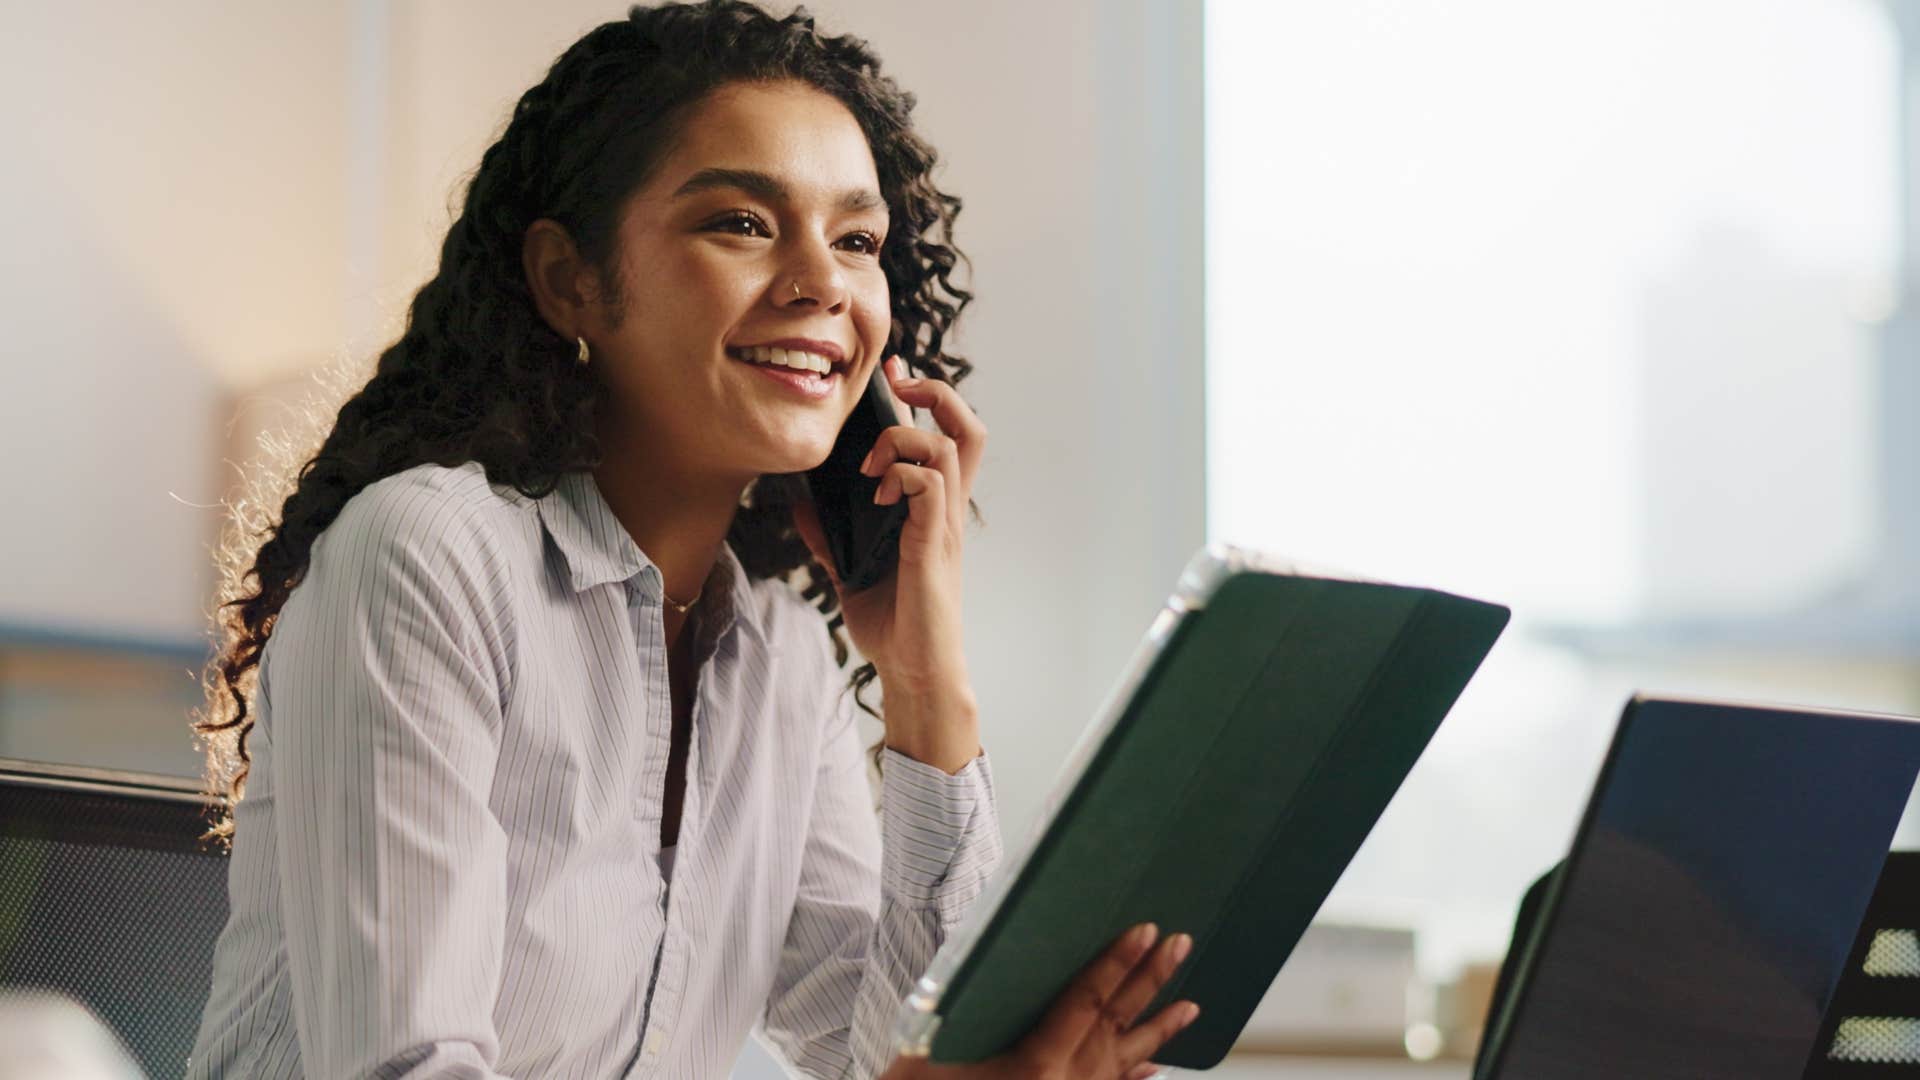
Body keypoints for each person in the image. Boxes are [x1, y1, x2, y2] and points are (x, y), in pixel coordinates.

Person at [186, 2, 1198, 1078]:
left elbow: (895, 1049)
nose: (822, 282)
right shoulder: (428, 555)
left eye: (857, 241)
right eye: (743, 224)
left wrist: (922, 674)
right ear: (570, 280)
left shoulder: (782, 661)